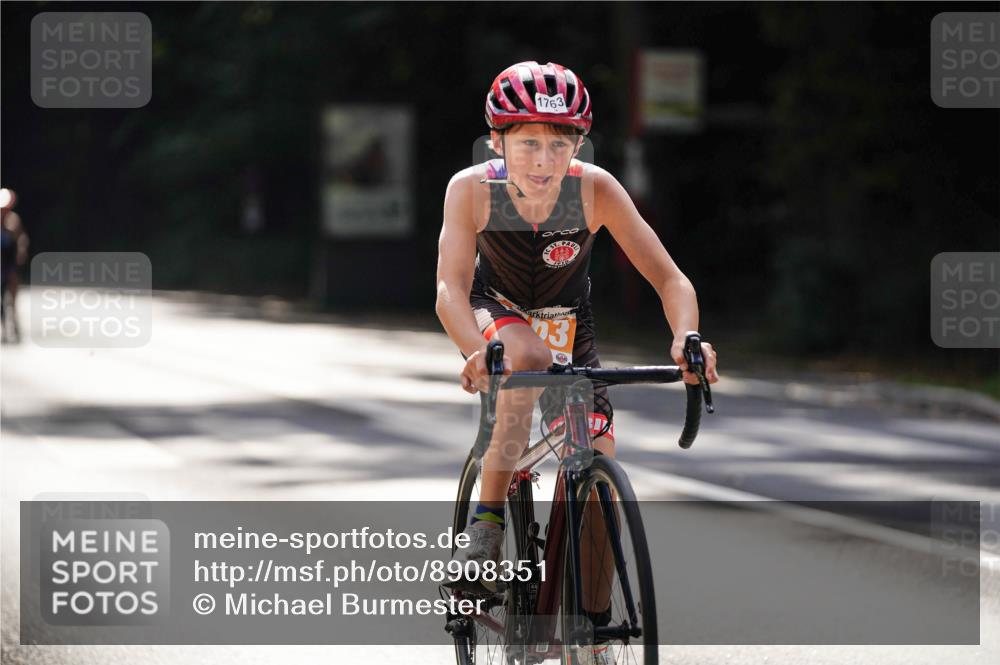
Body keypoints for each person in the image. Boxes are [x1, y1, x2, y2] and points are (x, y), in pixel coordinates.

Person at [434, 61, 718, 663]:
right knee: (528, 357)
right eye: (528, 143)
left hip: (573, 328)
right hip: (498, 314)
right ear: (498, 142)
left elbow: (670, 279)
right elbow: (450, 290)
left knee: (599, 478)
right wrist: (473, 351)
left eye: (559, 144)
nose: (543, 161)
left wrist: (687, 337)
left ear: (579, 145)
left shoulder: (594, 189)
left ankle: (587, 633)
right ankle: (486, 524)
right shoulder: (472, 190)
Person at [0, 188, 29, 343]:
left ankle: (15, 327)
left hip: (10, 265)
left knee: (12, 299)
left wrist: (21, 251)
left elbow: (21, 239)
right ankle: (4, 329)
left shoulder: (13, 221)